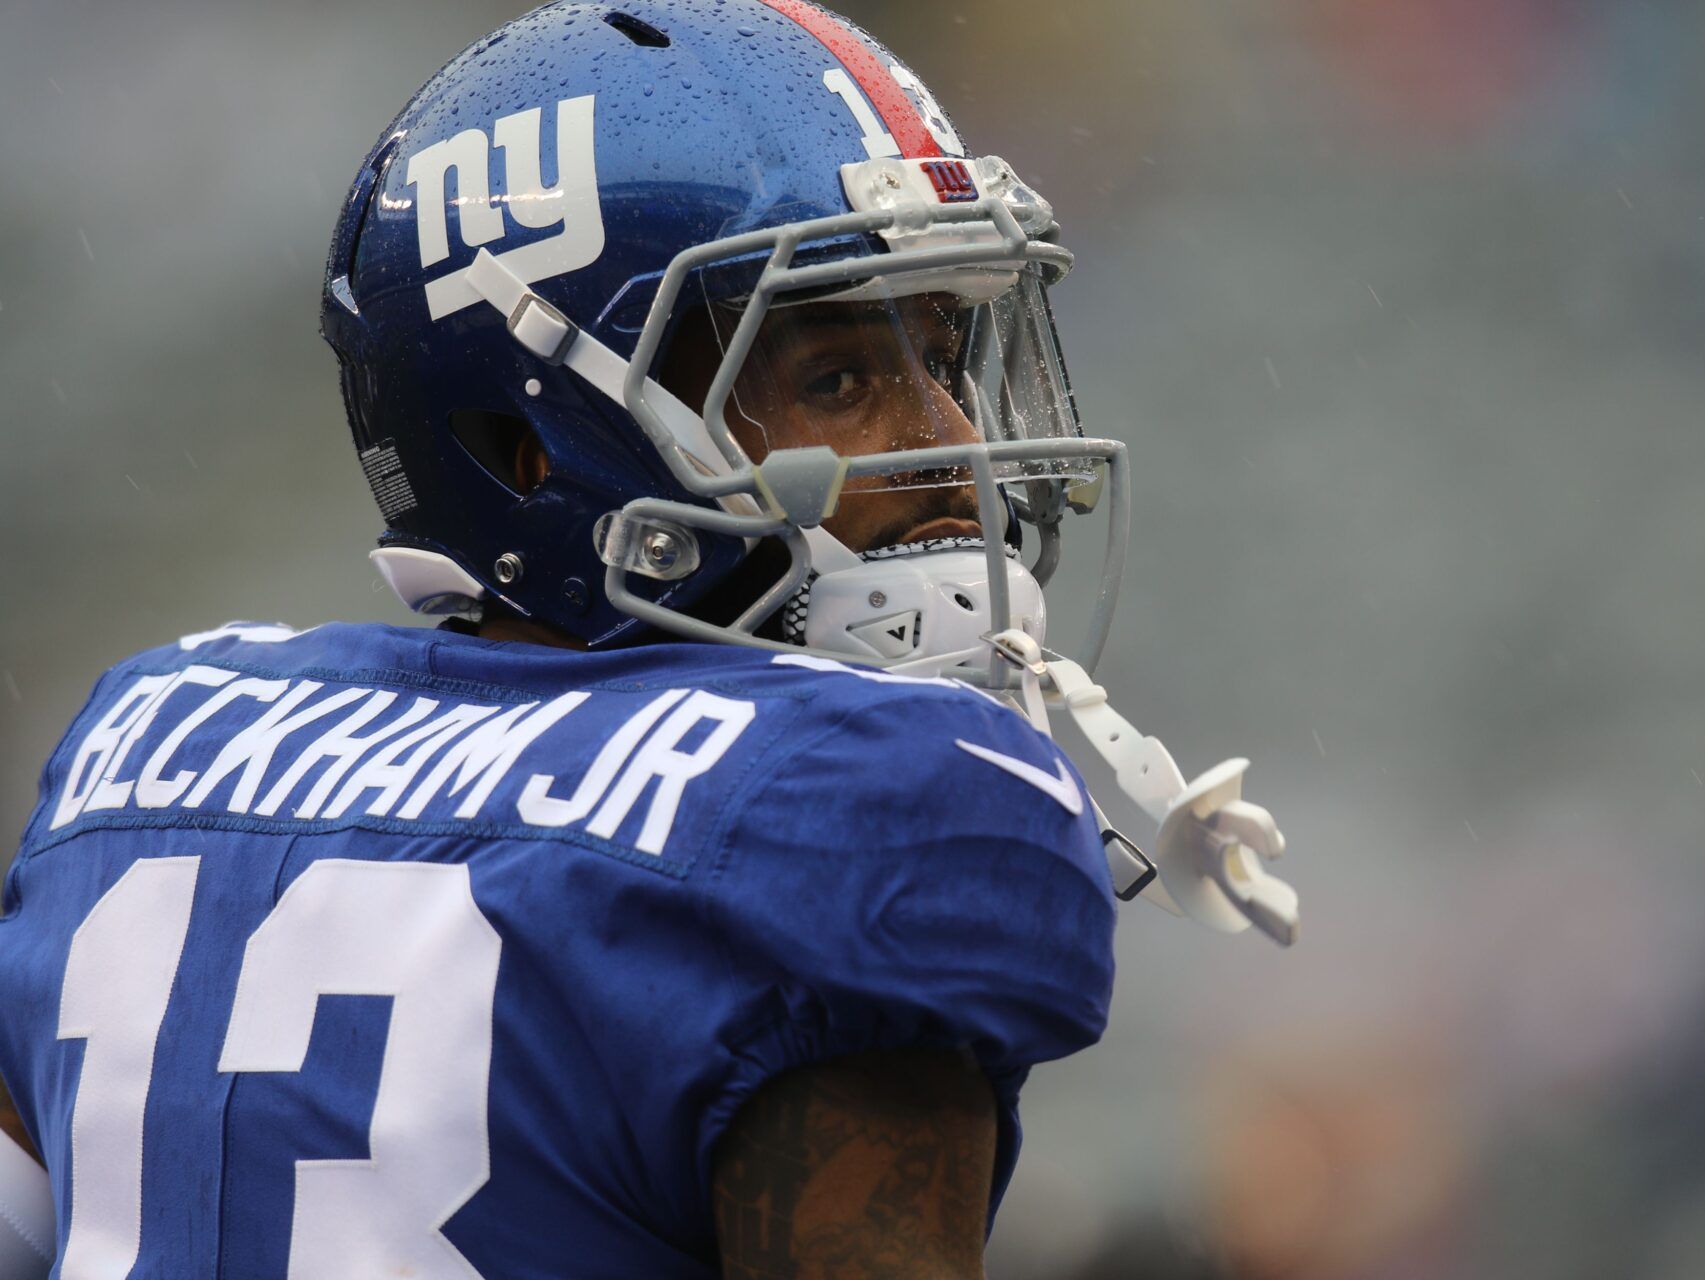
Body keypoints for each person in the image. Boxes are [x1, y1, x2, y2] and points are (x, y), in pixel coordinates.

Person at [0, 2, 1298, 1275]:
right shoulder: (854, 810)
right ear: (535, 448)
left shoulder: (158, 749)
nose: (949, 443)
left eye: (944, 356)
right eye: (839, 379)